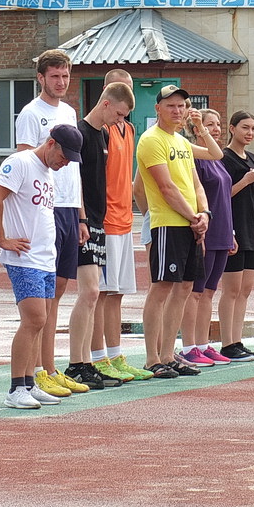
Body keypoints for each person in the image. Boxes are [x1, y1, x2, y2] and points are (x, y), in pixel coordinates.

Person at [0, 125, 82, 409]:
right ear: (51, 143)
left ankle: (29, 382)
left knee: (41, 319)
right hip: (25, 257)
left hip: (44, 257)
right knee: (34, 319)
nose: (65, 163)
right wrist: (2, 239)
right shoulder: (21, 162)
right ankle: (16, 387)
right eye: (64, 156)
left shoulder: (48, 172)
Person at [14, 50, 85, 395]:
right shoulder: (31, 113)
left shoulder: (69, 112)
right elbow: (25, 161)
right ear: (41, 78)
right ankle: (36, 371)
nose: (61, 82)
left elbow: (75, 169)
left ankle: (49, 367)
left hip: (70, 207)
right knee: (42, 297)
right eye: (55, 76)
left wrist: (82, 215)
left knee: (58, 291)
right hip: (47, 206)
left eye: (65, 76)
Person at [64, 81, 137, 388]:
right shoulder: (80, 133)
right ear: (106, 104)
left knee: (93, 294)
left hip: (99, 221)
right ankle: (76, 363)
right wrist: (81, 218)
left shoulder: (102, 135)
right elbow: (75, 181)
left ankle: (86, 362)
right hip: (84, 222)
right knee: (90, 292)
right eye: (119, 114)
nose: (120, 121)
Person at [136, 86, 212, 378]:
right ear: (158, 109)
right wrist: (193, 217)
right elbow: (166, 187)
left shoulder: (181, 141)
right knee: (161, 288)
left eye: (182, 105)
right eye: (170, 105)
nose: (177, 111)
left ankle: (169, 354)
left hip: (191, 224)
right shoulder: (151, 139)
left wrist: (204, 214)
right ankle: (152, 358)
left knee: (184, 288)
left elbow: (195, 184)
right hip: (168, 223)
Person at [89, 70, 153, 383]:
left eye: (130, 89)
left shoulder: (128, 128)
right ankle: (96, 358)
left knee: (116, 294)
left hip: (125, 220)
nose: (126, 95)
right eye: (120, 89)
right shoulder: (99, 130)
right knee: (100, 293)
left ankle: (115, 355)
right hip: (104, 222)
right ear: (107, 94)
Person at [178, 109, 236, 367]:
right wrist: (197, 230)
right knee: (195, 292)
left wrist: (231, 232)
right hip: (205, 232)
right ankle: (188, 346)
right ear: (196, 128)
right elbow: (194, 195)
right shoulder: (196, 159)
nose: (216, 128)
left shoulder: (217, 160)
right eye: (209, 124)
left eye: (218, 124)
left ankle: (203, 345)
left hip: (222, 231)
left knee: (209, 291)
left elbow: (224, 198)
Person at [218, 111, 254, 363]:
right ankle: (227, 343)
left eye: (253, 128)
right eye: (245, 127)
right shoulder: (224, 158)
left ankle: (237, 341)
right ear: (232, 128)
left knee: (245, 290)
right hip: (233, 230)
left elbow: (249, 197)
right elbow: (221, 195)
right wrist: (246, 181)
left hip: (251, 230)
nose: (249, 133)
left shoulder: (253, 159)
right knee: (231, 289)